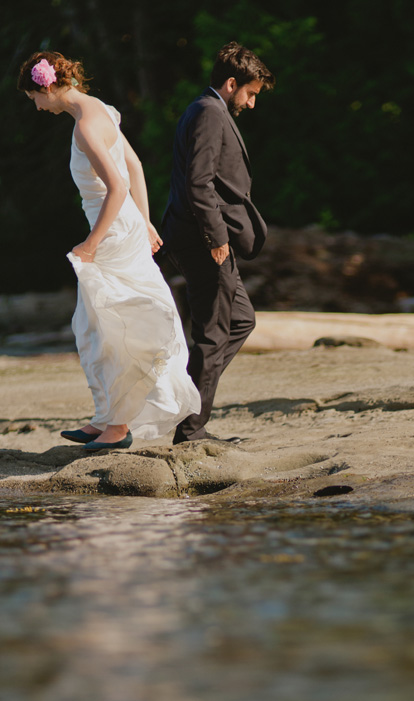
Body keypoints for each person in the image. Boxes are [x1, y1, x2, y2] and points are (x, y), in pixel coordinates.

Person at [17, 52, 200, 450]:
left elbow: (117, 186)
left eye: (33, 97)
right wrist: (147, 221)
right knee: (96, 325)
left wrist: (92, 243)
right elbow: (134, 166)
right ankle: (106, 418)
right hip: (125, 224)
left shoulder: (85, 125)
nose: (36, 105)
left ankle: (117, 426)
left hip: (113, 232)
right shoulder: (103, 109)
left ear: (46, 87)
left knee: (110, 329)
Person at [162, 41, 274, 444]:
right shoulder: (209, 113)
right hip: (203, 239)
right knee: (213, 333)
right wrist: (216, 236)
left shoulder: (205, 110)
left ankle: (188, 400)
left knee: (241, 320)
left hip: (201, 237)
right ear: (232, 83)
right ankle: (191, 430)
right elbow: (199, 181)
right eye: (250, 93)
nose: (252, 103)